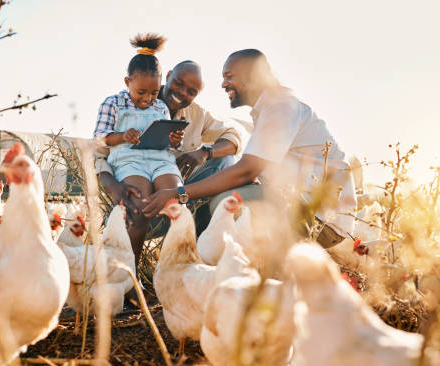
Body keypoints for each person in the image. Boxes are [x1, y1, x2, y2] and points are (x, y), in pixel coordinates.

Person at [142, 49, 357, 248]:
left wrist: (179, 193)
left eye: (229, 76)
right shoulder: (271, 108)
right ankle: (202, 261)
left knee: (224, 203)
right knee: (221, 191)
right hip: (299, 205)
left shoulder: (280, 106)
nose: (223, 85)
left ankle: (221, 268)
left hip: (318, 219)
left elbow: (246, 170)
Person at [96, 60, 244, 252]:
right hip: (132, 196)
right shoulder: (123, 103)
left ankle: (195, 249)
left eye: (191, 91)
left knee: (224, 160)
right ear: (168, 76)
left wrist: (204, 152)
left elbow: (233, 136)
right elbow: (97, 154)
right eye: (179, 83)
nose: (182, 93)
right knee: (137, 210)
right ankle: (127, 272)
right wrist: (113, 187)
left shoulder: (196, 114)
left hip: (174, 194)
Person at [92, 33, 185, 263]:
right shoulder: (112, 103)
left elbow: (170, 146)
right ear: (127, 82)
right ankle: (130, 273)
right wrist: (122, 136)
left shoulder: (161, 106)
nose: (147, 99)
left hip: (161, 160)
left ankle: (175, 268)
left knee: (179, 205)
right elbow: (99, 138)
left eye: (153, 92)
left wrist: (174, 139)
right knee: (138, 209)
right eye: (140, 92)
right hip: (129, 160)